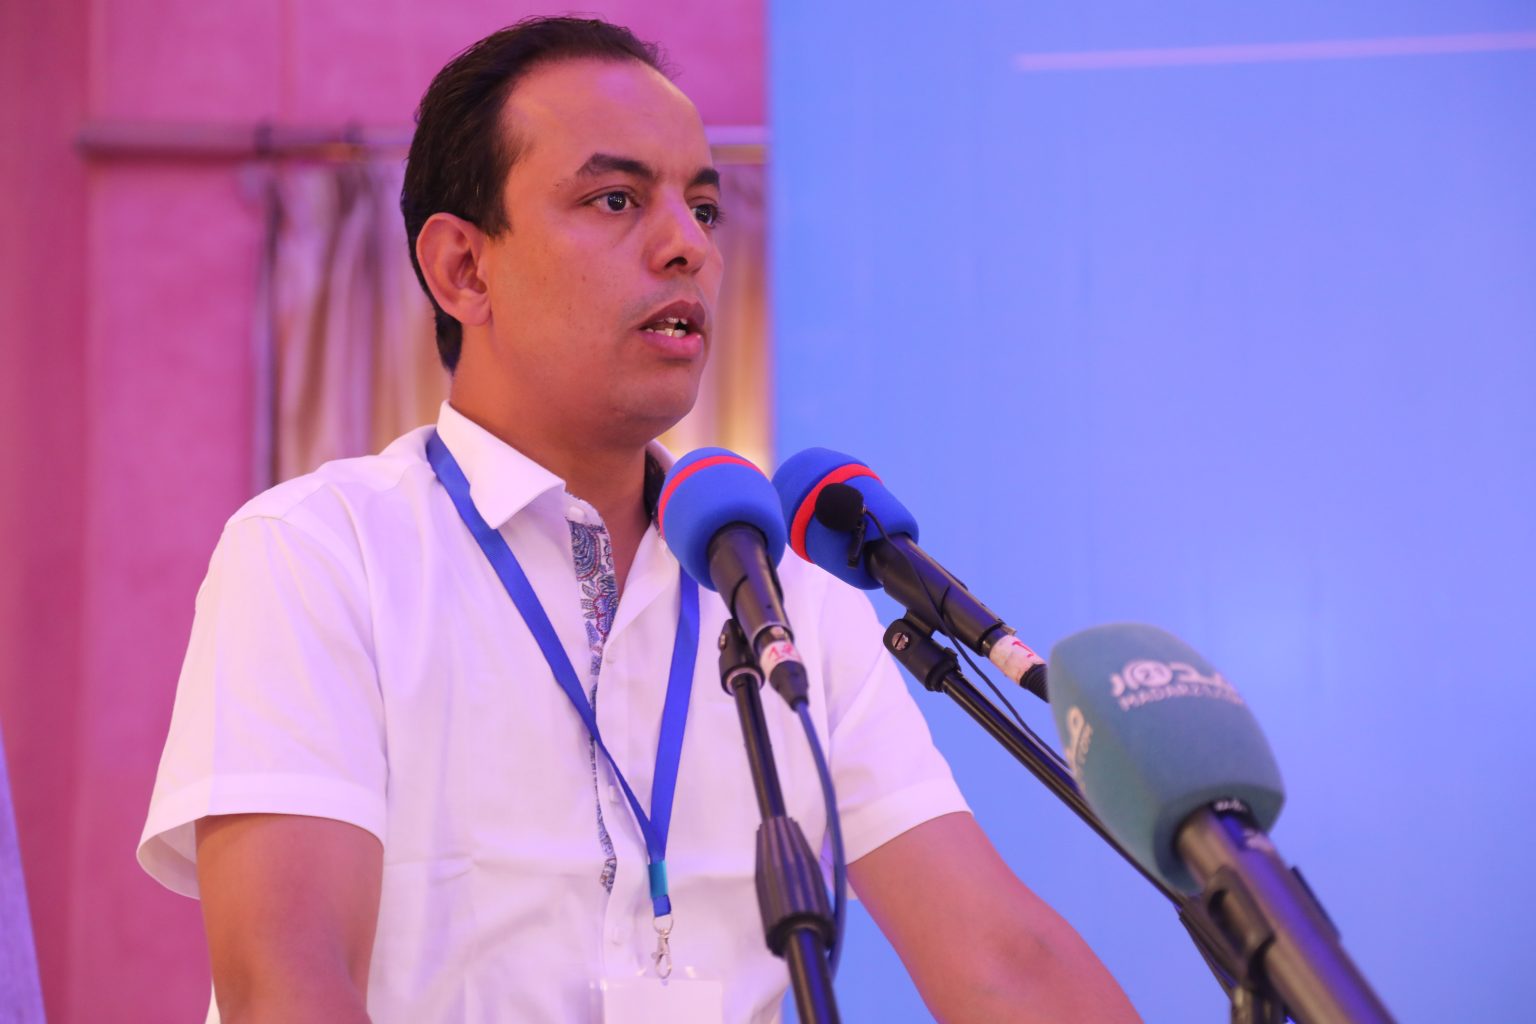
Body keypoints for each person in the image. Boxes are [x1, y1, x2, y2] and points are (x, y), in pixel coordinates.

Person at [139, 16, 1141, 1024]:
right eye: (615, 200)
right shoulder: (322, 555)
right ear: (464, 270)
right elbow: (287, 987)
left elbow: (1002, 963)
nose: (688, 245)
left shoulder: (789, 598)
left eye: (703, 207)